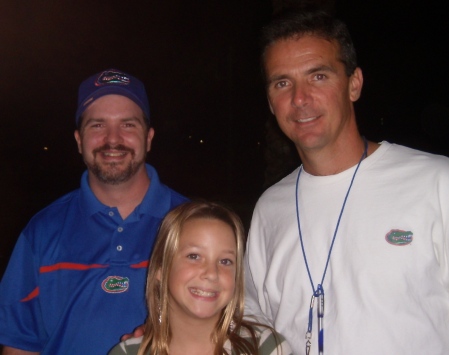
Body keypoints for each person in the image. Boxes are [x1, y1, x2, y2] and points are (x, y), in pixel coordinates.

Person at [244, 10, 449, 355]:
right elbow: (252, 319)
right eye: (282, 83)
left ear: (354, 84)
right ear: (270, 101)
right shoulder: (269, 208)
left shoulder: (435, 182)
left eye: (318, 76)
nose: (299, 98)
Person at [0, 69, 188, 354]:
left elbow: (226, 321)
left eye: (128, 125)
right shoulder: (42, 231)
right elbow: (19, 344)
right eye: (97, 125)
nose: (113, 139)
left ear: (148, 138)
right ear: (78, 140)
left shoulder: (193, 224)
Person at [109, 201, 292, 355]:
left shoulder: (266, 348)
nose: (212, 273)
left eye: (225, 261)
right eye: (194, 256)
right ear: (161, 269)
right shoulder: (128, 352)